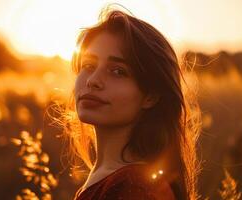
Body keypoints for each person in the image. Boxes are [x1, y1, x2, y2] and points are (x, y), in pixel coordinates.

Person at [51, 5, 202, 200]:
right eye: (88, 65)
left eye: (118, 71)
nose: (92, 80)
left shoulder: (134, 188)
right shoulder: (110, 178)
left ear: (151, 96)